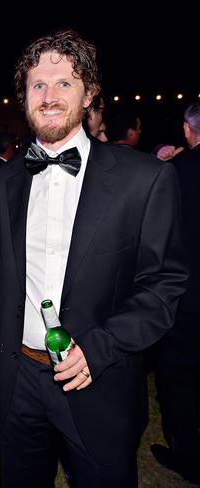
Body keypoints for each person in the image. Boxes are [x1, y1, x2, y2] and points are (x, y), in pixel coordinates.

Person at [0, 30, 188, 486]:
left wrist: (99, 348)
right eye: (38, 85)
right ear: (24, 97)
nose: (49, 96)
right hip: (16, 381)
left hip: (101, 380)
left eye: (64, 83)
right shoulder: (2, 183)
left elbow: (164, 287)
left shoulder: (146, 179)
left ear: (90, 92)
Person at [150, 101, 200, 484]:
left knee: (179, 378)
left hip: (186, 297)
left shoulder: (177, 173)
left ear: (187, 129)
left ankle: (186, 453)